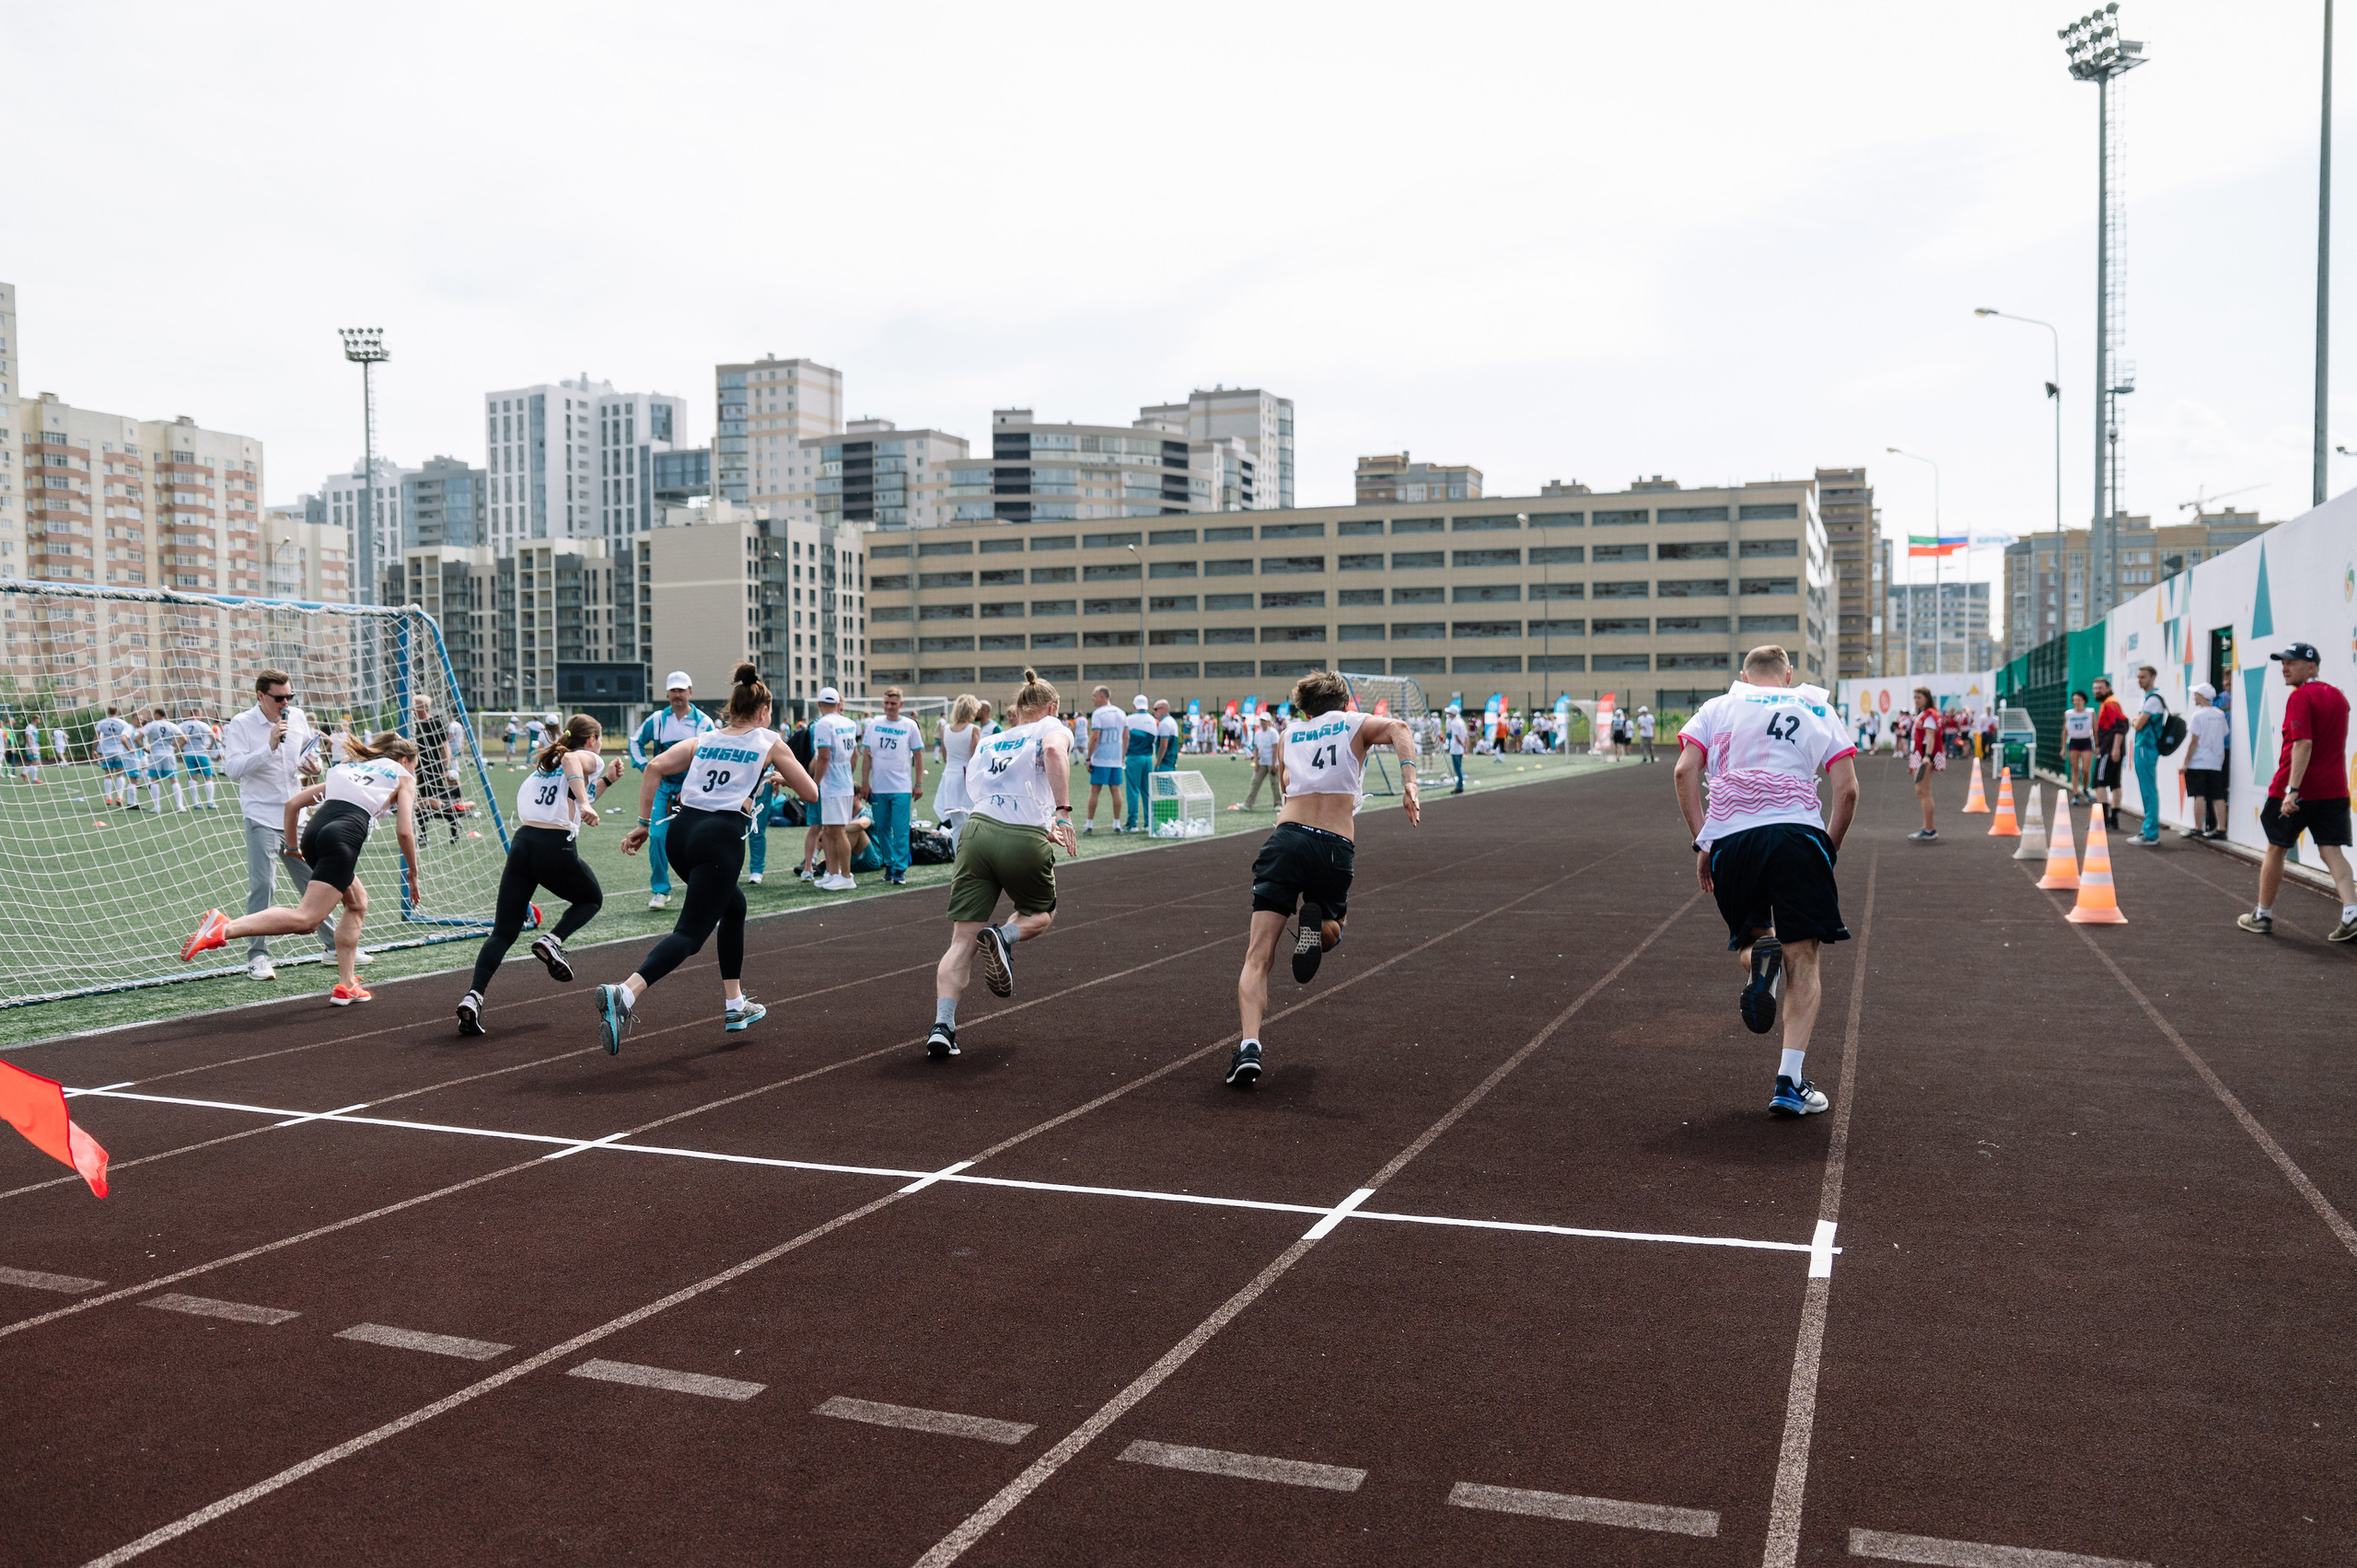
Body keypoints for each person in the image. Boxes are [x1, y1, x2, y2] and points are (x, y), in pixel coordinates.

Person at [1675, 645, 1860, 1118]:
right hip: (1796, 832)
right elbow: (1847, 789)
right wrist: (1828, 849)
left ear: (1743, 675)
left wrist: (1704, 842)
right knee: (1805, 954)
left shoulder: (1717, 707)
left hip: (1733, 839)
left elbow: (1684, 772)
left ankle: (1759, 959)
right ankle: (1788, 1082)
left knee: (1754, 939)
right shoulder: (1815, 703)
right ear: (1789, 674)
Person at [597, 664, 819, 1051]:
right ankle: (626, 993)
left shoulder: (706, 737)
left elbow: (654, 767)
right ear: (764, 712)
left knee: (733, 907)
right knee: (689, 934)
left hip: (681, 834)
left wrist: (644, 823)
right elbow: (812, 792)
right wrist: (779, 776)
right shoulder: (769, 740)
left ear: (732, 709)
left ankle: (735, 1005)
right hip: (720, 839)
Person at [1225, 669, 1421, 1089]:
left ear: (1303, 707)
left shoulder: (1288, 735)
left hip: (1287, 839)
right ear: (1345, 701)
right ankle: (1318, 927)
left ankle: (1249, 1047)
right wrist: (1410, 782)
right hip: (1333, 842)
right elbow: (1400, 728)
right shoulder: (1354, 723)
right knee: (1333, 927)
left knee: (1257, 956)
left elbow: (1286, 784)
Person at [182, 733, 421, 1005]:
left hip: (314, 833)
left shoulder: (349, 769)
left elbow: (293, 804)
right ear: (404, 760)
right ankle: (225, 928)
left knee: (357, 902)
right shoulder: (403, 776)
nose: (414, 771)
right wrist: (412, 873)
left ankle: (347, 985)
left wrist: (294, 847)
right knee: (307, 919)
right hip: (342, 838)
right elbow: (404, 832)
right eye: (414, 765)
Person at [925, 668, 1078, 1060]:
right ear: (1052, 707)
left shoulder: (992, 738)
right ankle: (1005, 937)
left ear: (1018, 709)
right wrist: (1061, 812)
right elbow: (1053, 752)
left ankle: (943, 1025)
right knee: (1041, 913)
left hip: (977, 833)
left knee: (961, 941)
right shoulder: (1054, 728)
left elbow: (974, 785)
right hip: (1024, 834)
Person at [456, 715, 624, 1035]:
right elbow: (575, 770)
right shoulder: (580, 755)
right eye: (598, 741)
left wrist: (605, 785)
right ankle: (552, 940)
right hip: (553, 846)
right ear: (592, 740)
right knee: (591, 898)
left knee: (503, 932)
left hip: (522, 846)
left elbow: (570, 796)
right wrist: (588, 801)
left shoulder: (547, 764)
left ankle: (473, 996)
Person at [220, 670, 345, 980]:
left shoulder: (298, 717)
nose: (285, 703)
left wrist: (314, 765)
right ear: (261, 696)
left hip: (297, 815)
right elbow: (232, 769)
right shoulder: (241, 724)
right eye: (279, 698)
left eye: (289, 696)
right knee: (263, 886)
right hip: (261, 815)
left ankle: (332, 946)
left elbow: (308, 756)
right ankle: (257, 957)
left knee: (315, 883)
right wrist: (269, 747)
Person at [2236, 642, 2356, 941]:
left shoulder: (2301, 696)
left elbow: (2303, 743)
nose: (2284, 668)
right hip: (2333, 789)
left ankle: (2262, 915)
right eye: (2283, 663)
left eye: (2291, 662)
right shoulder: (2339, 697)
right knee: (2331, 850)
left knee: (2276, 848)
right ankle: (2352, 913)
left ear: (2311, 666)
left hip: (2294, 790)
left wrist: (2292, 790)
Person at [631, 672, 716, 910]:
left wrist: (692, 785)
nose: (677, 695)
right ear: (667, 694)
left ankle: (700, 888)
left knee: (697, 840)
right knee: (657, 836)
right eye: (673, 691)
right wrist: (645, 769)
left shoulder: (704, 723)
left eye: (682, 690)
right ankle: (660, 890)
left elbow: (710, 757)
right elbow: (635, 741)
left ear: (690, 692)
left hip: (695, 792)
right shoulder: (657, 720)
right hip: (664, 788)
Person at [858, 685, 924, 887]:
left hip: (901, 788)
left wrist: (918, 783)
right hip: (878, 787)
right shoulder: (874, 724)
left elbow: (919, 754)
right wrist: (865, 783)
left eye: (893, 703)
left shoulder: (910, 725)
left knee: (901, 829)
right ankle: (889, 863)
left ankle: (899, 870)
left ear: (901, 704)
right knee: (883, 829)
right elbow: (867, 755)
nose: (889, 707)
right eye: (886, 703)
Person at [806, 685, 862, 890]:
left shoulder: (822, 724)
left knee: (837, 832)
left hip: (832, 784)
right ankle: (833, 872)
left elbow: (823, 757)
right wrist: (847, 773)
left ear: (819, 705)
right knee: (829, 831)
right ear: (838, 704)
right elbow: (854, 755)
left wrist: (814, 783)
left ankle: (846, 876)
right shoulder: (849, 722)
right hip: (843, 780)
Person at [412, 695, 467, 843]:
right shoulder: (413, 724)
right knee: (420, 802)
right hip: (418, 769)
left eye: (414, 705)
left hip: (434, 768)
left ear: (422, 707)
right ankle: (424, 836)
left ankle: (454, 820)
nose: (412, 708)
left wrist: (445, 767)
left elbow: (445, 746)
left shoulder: (436, 722)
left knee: (432, 802)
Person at [935, 694, 986, 848]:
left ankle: (959, 859)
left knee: (957, 823)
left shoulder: (946, 730)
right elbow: (974, 756)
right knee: (974, 818)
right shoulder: (973, 729)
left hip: (950, 775)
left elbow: (945, 756)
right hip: (966, 775)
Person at [2180, 682, 2229, 841]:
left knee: (2199, 795)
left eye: (2196, 694)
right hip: (2216, 761)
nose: (2194, 697)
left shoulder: (2197, 716)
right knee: (2218, 795)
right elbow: (2224, 733)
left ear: (2202, 696)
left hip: (2199, 761)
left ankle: (2198, 828)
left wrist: (2186, 762)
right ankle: (2221, 829)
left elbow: (2194, 741)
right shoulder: (2219, 714)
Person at [1081, 685, 1126, 834]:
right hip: (1116, 758)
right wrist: (1122, 756)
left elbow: (1095, 737)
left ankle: (1089, 824)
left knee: (1095, 790)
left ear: (1102, 696)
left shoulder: (1098, 713)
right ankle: (1117, 823)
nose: (1093, 698)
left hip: (1101, 758)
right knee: (1116, 789)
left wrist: (1088, 757)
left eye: (1094, 695)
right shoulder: (1121, 713)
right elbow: (1126, 737)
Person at [2091, 676, 2128, 831]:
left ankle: (2104, 820)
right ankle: (2113, 820)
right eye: (2095, 688)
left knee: (2099, 783)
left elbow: (2122, 725)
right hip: (2109, 748)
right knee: (2114, 783)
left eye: (2100, 688)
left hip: (2109, 750)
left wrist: (2114, 748)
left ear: (2108, 688)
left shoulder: (2110, 703)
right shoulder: (2107, 703)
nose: (2097, 691)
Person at [1906, 686, 1943, 841]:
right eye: (1915, 697)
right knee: (1922, 792)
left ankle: (1929, 829)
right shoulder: (1923, 714)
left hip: (1924, 756)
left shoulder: (1929, 715)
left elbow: (1931, 738)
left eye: (1919, 697)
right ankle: (1927, 827)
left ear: (1927, 698)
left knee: (1924, 791)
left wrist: (1927, 757)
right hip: (1919, 755)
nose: (1916, 700)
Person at [1121, 694, 1156, 831]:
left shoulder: (1128, 719)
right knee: (1147, 791)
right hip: (1148, 757)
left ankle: (1132, 823)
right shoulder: (1153, 720)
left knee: (1133, 791)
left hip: (1133, 757)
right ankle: (1148, 823)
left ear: (1134, 705)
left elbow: (1124, 738)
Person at [140, 707, 185, 812]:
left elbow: (137, 738)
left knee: (155, 780)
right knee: (173, 779)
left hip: (155, 755)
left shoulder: (151, 725)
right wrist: (176, 748)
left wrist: (145, 749)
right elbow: (184, 738)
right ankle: (180, 805)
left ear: (157, 715)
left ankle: (157, 807)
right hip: (169, 754)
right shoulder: (172, 725)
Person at [179, 707, 221, 809]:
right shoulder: (203, 725)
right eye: (200, 714)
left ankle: (195, 803)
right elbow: (213, 737)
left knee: (193, 777)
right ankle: (210, 802)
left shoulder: (182, 725)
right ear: (197, 714)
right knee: (208, 777)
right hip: (201, 753)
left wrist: (180, 748)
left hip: (188, 754)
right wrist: (209, 747)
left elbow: (177, 737)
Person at [1240, 711, 1282, 808]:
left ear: (1268, 722)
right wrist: (1256, 762)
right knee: (1255, 782)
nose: (1263, 723)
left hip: (1271, 762)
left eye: (1264, 721)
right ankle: (1248, 803)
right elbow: (1256, 749)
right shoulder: (1258, 734)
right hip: (1262, 762)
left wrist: (1274, 763)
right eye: (1261, 720)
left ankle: (1278, 803)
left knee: (1275, 783)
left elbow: (1275, 748)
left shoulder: (1273, 733)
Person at [96, 705, 133, 809]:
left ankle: (108, 797)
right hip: (119, 751)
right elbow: (125, 737)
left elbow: (96, 737)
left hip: (107, 752)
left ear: (107, 712)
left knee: (108, 774)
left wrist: (94, 750)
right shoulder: (123, 723)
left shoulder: (101, 722)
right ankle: (120, 796)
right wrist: (129, 748)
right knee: (120, 774)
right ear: (117, 712)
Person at [2062, 691, 2096, 804]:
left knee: (2086, 769)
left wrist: (2097, 744)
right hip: (2074, 741)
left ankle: (2085, 789)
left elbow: (2095, 729)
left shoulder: (2090, 712)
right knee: (2075, 768)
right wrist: (2063, 748)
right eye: (2074, 700)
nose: (2076, 702)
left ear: (2084, 701)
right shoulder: (2069, 714)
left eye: (2079, 700)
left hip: (2086, 741)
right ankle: (2075, 793)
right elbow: (2065, 731)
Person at [1446, 703, 1469, 792]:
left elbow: (1457, 736)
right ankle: (1460, 785)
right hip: (1460, 748)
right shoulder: (1461, 721)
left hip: (1456, 748)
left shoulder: (1454, 722)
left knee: (1457, 768)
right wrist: (1465, 746)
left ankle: (1459, 786)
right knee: (1459, 767)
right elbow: (1465, 736)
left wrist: (1463, 744)